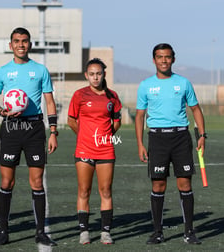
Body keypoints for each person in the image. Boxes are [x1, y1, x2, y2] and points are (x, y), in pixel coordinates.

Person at [0, 27, 58, 246]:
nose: (21, 44)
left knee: (37, 181)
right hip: (10, 129)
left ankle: (40, 232)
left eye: (25, 41)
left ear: (30, 44)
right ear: (11, 45)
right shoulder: (2, 72)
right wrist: (4, 112)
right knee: (7, 181)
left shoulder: (40, 70)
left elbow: (49, 102)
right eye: (17, 41)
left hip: (35, 128)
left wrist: (53, 131)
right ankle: (3, 231)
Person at [135, 43, 206, 245]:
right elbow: (140, 116)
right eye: (160, 57)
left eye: (167, 57)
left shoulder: (183, 83)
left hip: (181, 138)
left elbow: (196, 109)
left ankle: (189, 231)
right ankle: (157, 232)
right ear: (154, 60)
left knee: (185, 183)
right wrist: (140, 143)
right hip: (157, 139)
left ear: (173, 59)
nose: (164, 60)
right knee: (158, 184)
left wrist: (202, 134)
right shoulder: (145, 85)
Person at [67, 58, 122, 245]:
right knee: (84, 190)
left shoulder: (112, 96)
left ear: (104, 74)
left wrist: (104, 137)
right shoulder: (79, 95)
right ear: (86, 75)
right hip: (84, 149)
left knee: (106, 190)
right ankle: (84, 231)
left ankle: (105, 232)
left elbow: (117, 122)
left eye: (98, 73)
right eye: (92, 74)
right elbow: (71, 121)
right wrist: (84, 136)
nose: (95, 77)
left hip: (106, 151)